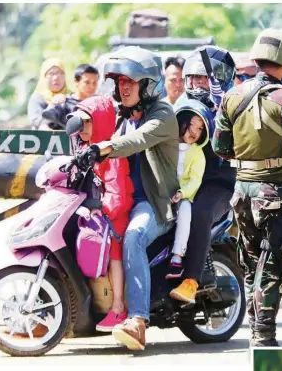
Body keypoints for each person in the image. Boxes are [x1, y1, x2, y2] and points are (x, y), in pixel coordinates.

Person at [212, 28, 282, 346]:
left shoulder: (232, 97)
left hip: (243, 192)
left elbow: (221, 147)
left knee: (252, 266)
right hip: (276, 194)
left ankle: (257, 333)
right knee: (273, 266)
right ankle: (264, 339)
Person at [77, 46, 178, 351]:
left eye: (130, 82)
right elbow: (94, 121)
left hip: (153, 202)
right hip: (121, 200)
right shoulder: (122, 116)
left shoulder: (162, 115)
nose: (123, 87)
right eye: (120, 82)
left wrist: (103, 147)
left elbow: (135, 142)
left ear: (147, 85)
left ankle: (137, 320)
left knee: (133, 237)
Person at [169, 46, 238, 303]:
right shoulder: (182, 106)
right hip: (182, 179)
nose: (198, 84)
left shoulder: (231, 106)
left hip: (216, 183)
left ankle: (191, 280)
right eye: (194, 78)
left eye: (204, 78)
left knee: (200, 212)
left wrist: (224, 115)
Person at [65, 95, 133, 332]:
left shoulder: (110, 152)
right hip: (93, 213)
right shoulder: (85, 150)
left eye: (86, 123)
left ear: (100, 121)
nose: (81, 130)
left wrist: (103, 210)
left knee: (114, 256)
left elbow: (118, 192)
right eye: (79, 124)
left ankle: (117, 308)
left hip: (111, 217)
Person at [166, 100, 211, 303]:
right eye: (192, 125)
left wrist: (182, 194)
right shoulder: (167, 145)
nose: (194, 131)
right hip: (162, 194)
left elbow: (195, 180)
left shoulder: (197, 153)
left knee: (186, 214)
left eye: (200, 128)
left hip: (182, 196)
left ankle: (177, 256)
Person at [42, 64, 101, 130]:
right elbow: (44, 126)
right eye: (87, 82)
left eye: (94, 83)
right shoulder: (62, 103)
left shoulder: (100, 105)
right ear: (76, 81)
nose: (91, 86)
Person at [27, 58, 71, 130]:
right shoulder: (37, 98)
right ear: (44, 77)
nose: (56, 77)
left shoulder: (71, 97)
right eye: (51, 74)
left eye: (60, 73)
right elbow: (36, 121)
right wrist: (53, 105)